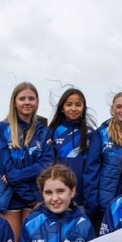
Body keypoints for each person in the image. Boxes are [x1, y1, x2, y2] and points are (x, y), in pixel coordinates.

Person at [0, 82, 52, 238]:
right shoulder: (2, 128)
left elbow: (45, 164)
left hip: (34, 195)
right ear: (14, 102)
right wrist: (26, 195)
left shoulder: (44, 132)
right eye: (22, 98)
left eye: (31, 98)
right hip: (8, 196)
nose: (27, 102)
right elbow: (4, 166)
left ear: (37, 102)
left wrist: (16, 178)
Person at [87, 92, 122, 230]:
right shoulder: (101, 133)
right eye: (119, 106)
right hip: (103, 205)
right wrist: (91, 203)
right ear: (112, 108)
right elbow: (91, 169)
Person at [47, 87, 99, 219]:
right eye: (69, 104)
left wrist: (90, 200)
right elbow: (46, 165)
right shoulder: (52, 131)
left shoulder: (90, 133)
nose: (73, 108)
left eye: (78, 105)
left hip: (81, 199)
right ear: (62, 108)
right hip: (57, 198)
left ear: (84, 107)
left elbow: (93, 168)